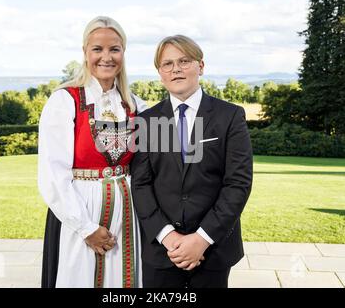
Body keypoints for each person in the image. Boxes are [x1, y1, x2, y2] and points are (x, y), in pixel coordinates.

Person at [131, 35, 253, 288]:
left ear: (201, 66)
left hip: (213, 250)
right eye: (167, 64)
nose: (176, 68)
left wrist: (201, 239)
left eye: (184, 60)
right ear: (160, 72)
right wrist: (168, 237)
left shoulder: (229, 116)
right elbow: (141, 185)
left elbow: (237, 183)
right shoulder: (148, 121)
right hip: (162, 251)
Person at [38, 16, 147, 288]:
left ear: (124, 53)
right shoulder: (65, 100)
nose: (106, 57)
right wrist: (86, 228)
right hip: (79, 213)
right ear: (85, 52)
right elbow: (53, 174)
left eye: (115, 49)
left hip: (128, 215)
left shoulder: (136, 105)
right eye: (97, 49)